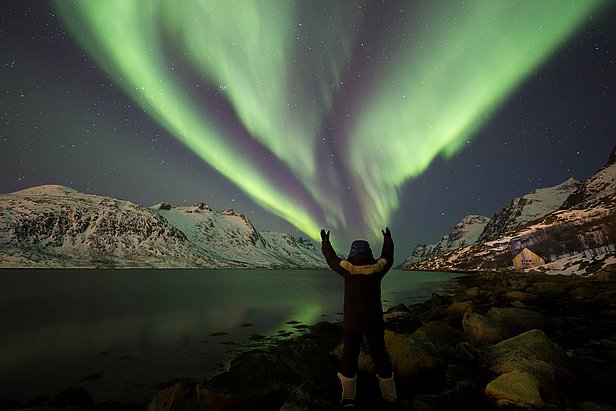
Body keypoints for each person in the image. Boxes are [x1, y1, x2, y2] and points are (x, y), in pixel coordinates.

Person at [320, 227, 397, 407]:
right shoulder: (378, 269)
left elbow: (331, 259)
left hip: (352, 322)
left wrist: (325, 243)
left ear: (352, 253)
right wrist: (388, 239)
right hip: (374, 321)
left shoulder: (347, 270)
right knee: (380, 355)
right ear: (369, 253)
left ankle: (348, 398)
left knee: (349, 355)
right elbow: (389, 257)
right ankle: (390, 397)